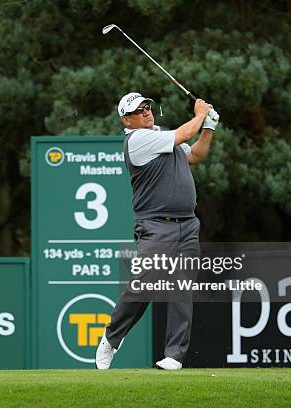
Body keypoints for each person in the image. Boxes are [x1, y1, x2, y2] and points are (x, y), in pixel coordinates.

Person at [95, 92, 218, 370]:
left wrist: (208, 127)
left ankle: (174, 356)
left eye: (147, 107)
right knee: (144, 285)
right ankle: (111, 338)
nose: (147, 112)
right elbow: (184, 134)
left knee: (182, 288)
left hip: (187, 224)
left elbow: (196, 154)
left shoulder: (161, 137)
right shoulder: (137, 140)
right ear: (127, 120)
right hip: (155, 225)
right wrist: (200, 113)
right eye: (139, 111)